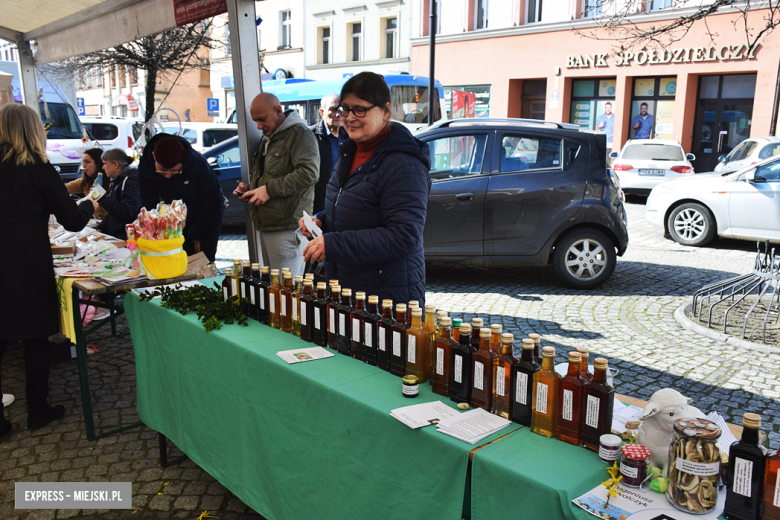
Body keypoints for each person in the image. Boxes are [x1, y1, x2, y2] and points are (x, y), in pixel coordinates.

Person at [0, 103, 94, 437]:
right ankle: (37, 407)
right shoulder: (37, 167)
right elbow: (71, 219)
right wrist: (89, 204)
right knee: (35, 337)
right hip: (26, 262)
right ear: (33, 130)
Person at [300, 72, 432, 307]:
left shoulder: (405, 163)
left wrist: (333, 244)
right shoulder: (349, 151)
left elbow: (404, 236)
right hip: (346, 285)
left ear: (386, 111)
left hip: (386, 297)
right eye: (345, 109)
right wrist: (321, 221)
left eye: (360, 109)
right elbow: (352, 210)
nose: (349, 117)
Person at [234, 93, 319, 275]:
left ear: (278, 110)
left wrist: (268, 190)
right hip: (270, 224)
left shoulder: (300, 134)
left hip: (287, 226)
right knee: (277, 289)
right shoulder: (271, 137)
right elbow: (270, 176)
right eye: (255, 121)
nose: (258, 126)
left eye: (262, 119)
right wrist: (250, 191)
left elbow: (309, 173)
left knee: (285, 291)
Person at [138, 134, 224, 262]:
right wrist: (155, 230)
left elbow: (212, 202)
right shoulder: (146, 164)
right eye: (162, 170)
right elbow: (148, 200)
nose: (167, 176)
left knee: (200, 259)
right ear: (153, 156)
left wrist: (196, 233)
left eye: (174, 171)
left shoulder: (197, 163)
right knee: (173, 259)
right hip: (173, 217)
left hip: (204, 214)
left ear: (182, 161)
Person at [310, 94, 348, 214]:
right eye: (332, 109)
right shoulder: (311, 136)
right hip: (319, 203)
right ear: (322, 112)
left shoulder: (349, 137)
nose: (337, 114)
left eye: (341, 109)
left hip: (343, 202)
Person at [93, 149, 141, 239]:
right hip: (117, 234)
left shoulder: (131, 182)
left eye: (105, 163)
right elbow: (113, 212)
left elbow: (126, 211)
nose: (103, 167)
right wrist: (102, 227)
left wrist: (102, 198)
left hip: (127, 237)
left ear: (115, 164)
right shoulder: (118, 180)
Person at [65, 148, 109, 218]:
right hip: (94, 224)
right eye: (82, 162)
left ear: (99, 163)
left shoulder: (112, 182)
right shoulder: (86, 181)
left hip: (111, 225)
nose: (83, 165)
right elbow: (63, 189)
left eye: (87, 162)